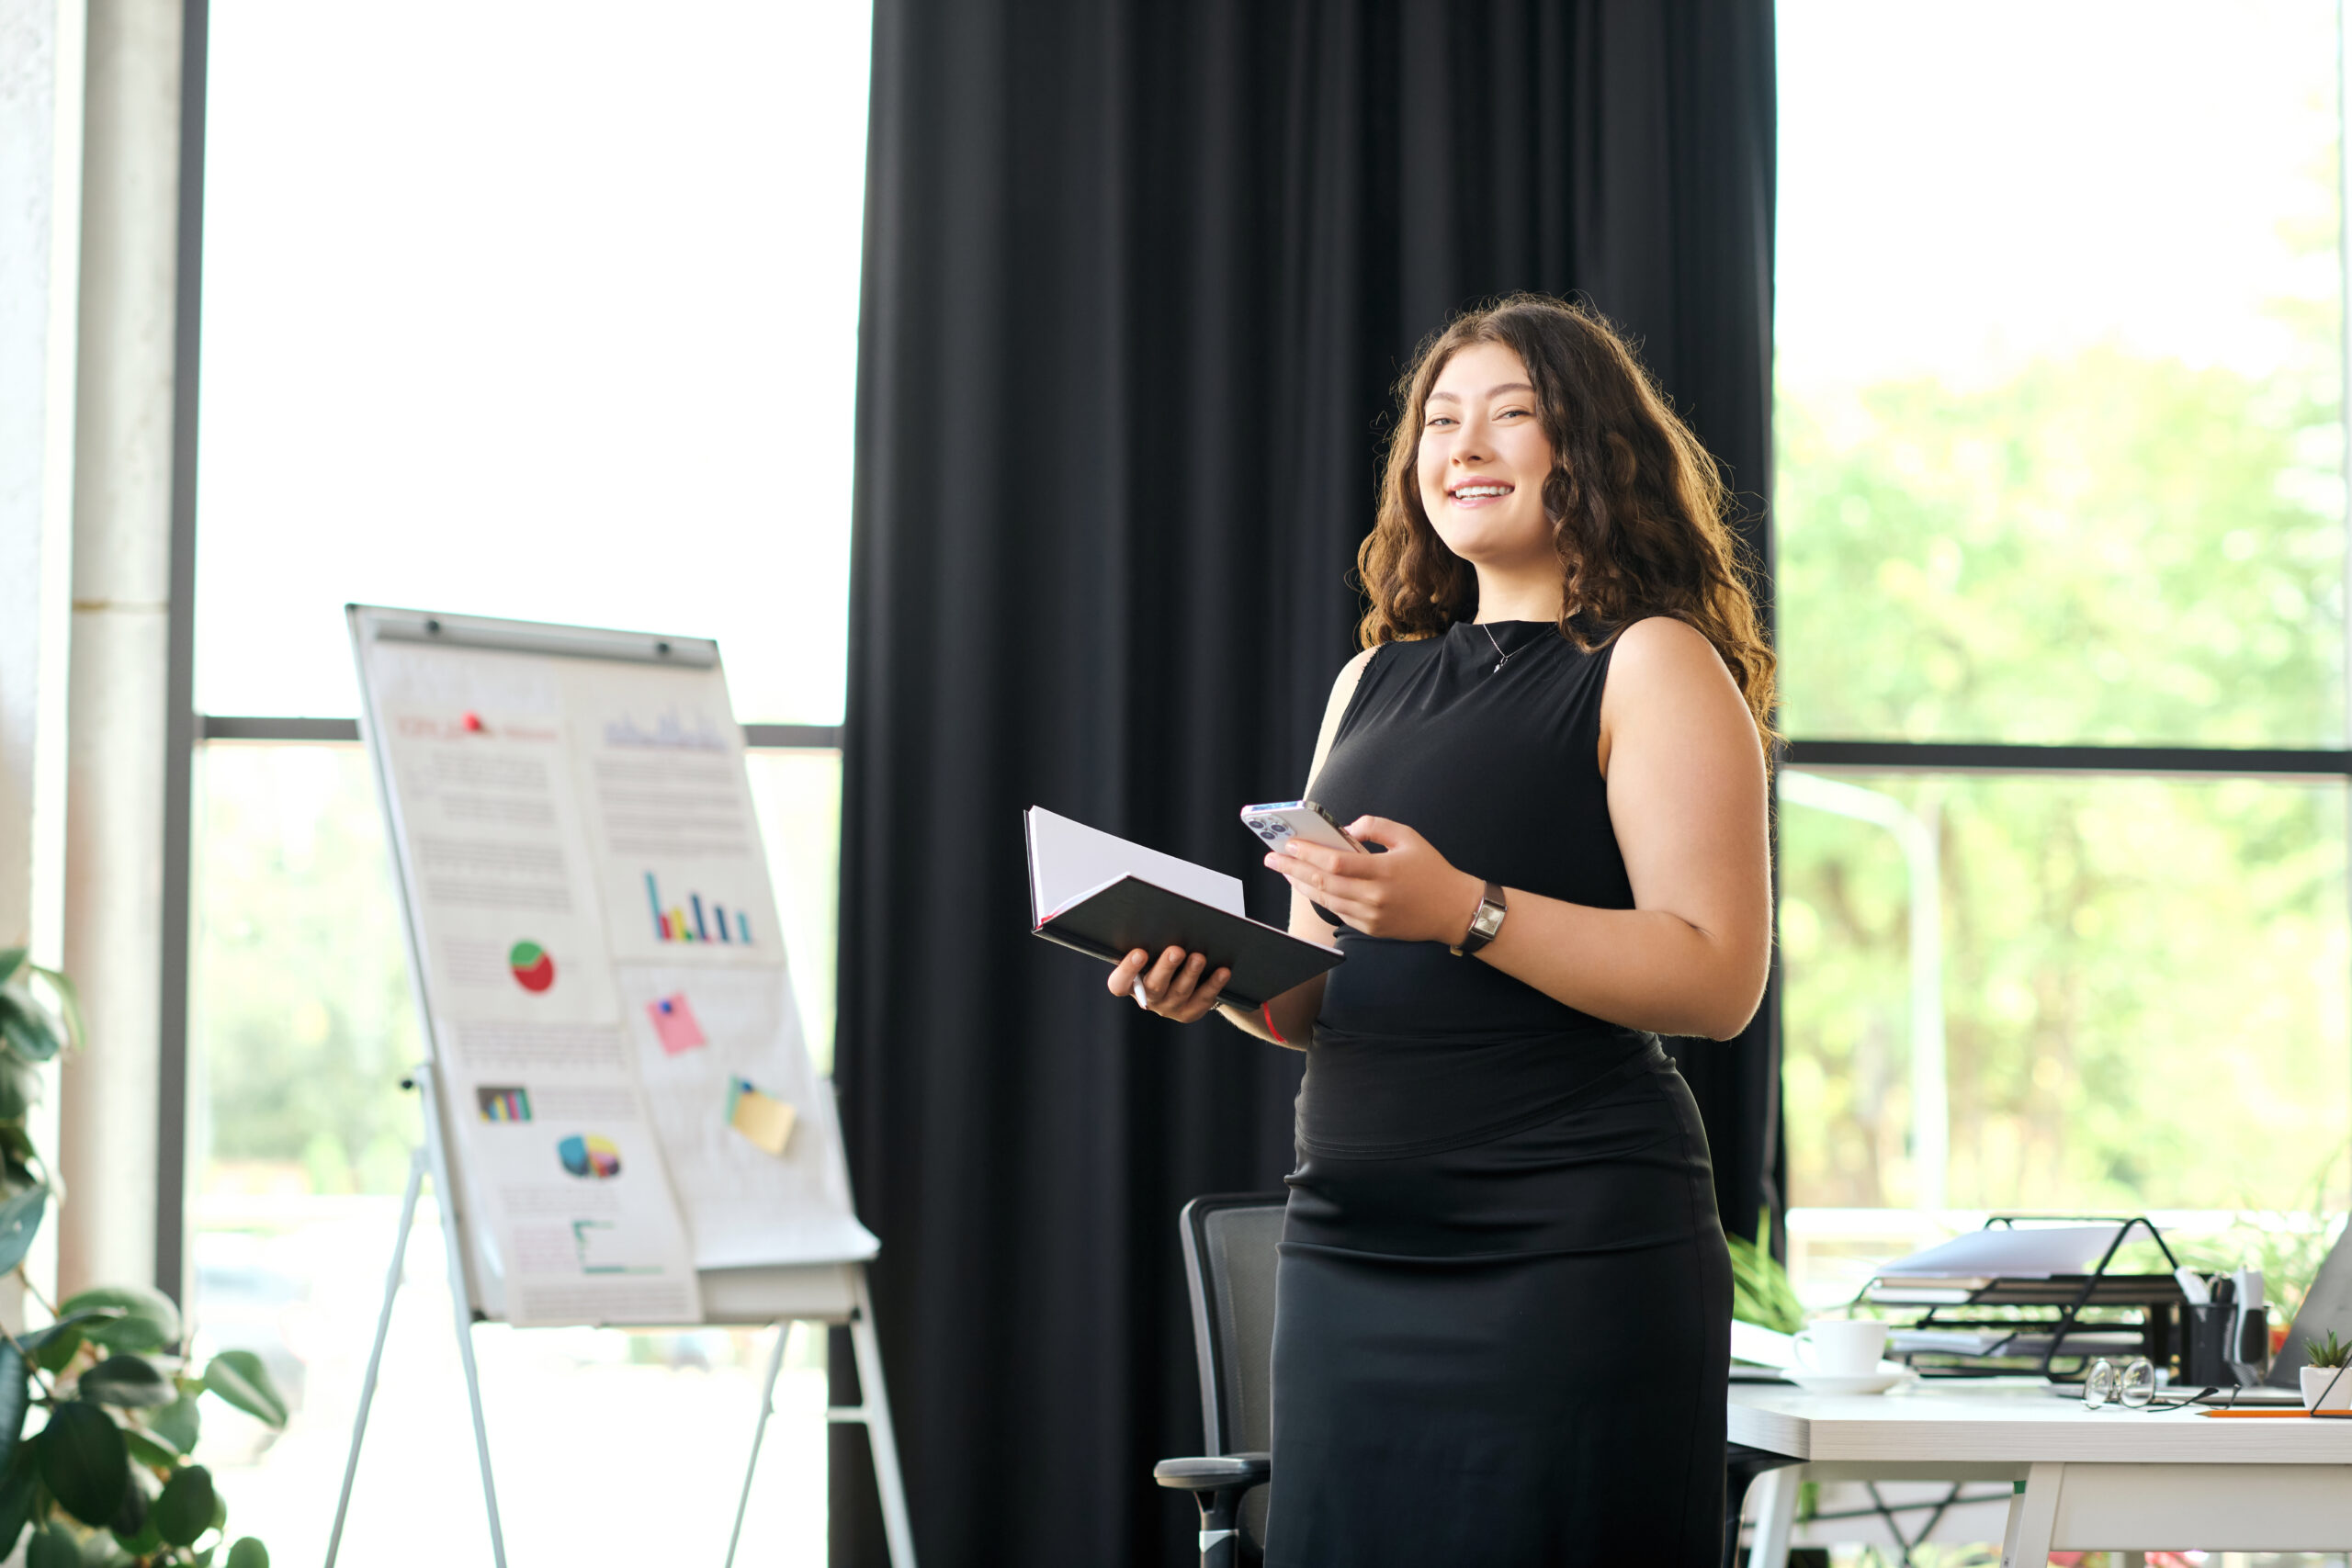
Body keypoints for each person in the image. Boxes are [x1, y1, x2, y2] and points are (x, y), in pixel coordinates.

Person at [1108, 293, 1774, 1565]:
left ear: (1592, 452)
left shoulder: (1651, 662)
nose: (1464, 445)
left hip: (1568, 1247)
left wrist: (1464, 912)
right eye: (1440, 420)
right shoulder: (1373, 679)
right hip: (1351, 1244)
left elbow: (1714, 974)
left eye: (1512, 416)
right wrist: (1221, 975)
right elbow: (1313, 999)